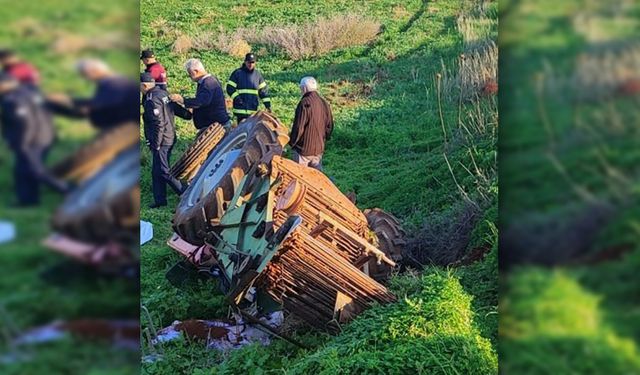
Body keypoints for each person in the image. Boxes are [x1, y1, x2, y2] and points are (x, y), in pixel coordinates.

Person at [0, 74, 69, 206]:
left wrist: (23, 144)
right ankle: (28, 201)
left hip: (30, 140)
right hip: (44, 136)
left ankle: (68, 189)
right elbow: (51, 107)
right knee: (22, 170)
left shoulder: (12, 100)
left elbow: (25, 123)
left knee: (35, 170)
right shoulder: (31, 91)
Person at [141, 72, 192, 208]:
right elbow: (174, 108)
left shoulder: (151, 100)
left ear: (145, 85)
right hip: (170, 136)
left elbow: (159, 124)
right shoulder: (162, 93)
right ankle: (160, 201)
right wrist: (187, 115)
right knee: (156, 170)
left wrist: (156, 144)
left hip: (162, 140)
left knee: (164, 170)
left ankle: (186, 193)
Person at [47, 59, 139, 131]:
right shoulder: (111, 83)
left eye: (85, 74)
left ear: (94, 71)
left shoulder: (117, 83)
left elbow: (99, 106)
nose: (86, 78)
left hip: (127, 129)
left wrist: (69, 101)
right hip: (121, 128)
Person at [170, 58, 231, 133]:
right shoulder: (208, 81)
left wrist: (182, 100)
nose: (189, 76)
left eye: (190, 73)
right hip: (213, 125)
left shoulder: (208, 83)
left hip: (215, 127)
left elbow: (202, 102)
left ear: (196, 71)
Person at [289, 76, 333, 171]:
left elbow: (298, 128)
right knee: (316, 178)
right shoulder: (324, 103)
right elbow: (329, 126)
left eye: (301, 88)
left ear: (304, 88)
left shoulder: (304, 103)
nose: (301, 91)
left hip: (303, 150)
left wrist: (292, 143)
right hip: (318, 150)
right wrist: (324, 139)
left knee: (299, 177)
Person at [226, 53, 271, 122]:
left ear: (255, 63)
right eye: (249, 62)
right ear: (245, 62)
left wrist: (267, 105)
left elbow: (263, 91)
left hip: (252, 111)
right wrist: (237, 98)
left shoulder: (257, 75)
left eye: (253, 62)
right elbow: (230, 88)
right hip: (240, 111)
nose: (251, 64)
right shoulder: (237, 73)